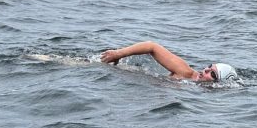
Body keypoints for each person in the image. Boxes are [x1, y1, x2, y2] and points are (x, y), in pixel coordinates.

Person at [100, 41, 239, 83]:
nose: (206, 70)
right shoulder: (186, 72)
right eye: (209, 67)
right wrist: (118, 53)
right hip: (116, 72)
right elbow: (151, 46)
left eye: (212, 74)